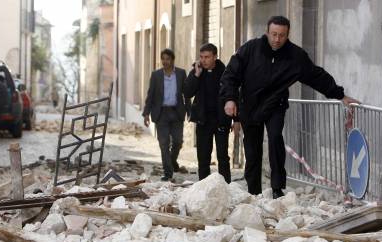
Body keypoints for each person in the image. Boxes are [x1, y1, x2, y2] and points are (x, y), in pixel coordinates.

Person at [220, 15, 359, 198]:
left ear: (288, 35)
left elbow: (316, 76)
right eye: (274, 34)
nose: (277, 39)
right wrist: (230, 99)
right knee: (252, 150)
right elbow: (230, 74)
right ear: (267, 32)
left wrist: (340, 95)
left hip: (275, 105)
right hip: (250, 105)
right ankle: (254, 191)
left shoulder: (295, 56)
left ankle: (277, 188)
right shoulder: (250, 49)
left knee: (276, 138)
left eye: (282, 35)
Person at [183, 43, 239, 183]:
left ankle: (225, 187)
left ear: (215, 57)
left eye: (207, 57)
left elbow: (234, 95)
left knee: (222, 157)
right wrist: (196, 75)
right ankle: (203, 187)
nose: (203, 60)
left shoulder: (225, 72)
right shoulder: (197, 71)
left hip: (221, 120)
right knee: (203, 157)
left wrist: (236, 119)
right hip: (203, 120)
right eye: (201, 57)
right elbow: (187, 92)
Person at [142, 49, 188, 182]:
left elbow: (186, 94)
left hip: (176, 112)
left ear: (173, 60)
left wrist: (189, 110)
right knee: (164, 143)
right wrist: (146, 113)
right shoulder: (156, 75)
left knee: (178, 142)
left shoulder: (180, 73)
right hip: (161, 113)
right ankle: (168, 172)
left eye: (167, 59)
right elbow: (150, 95)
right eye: (163, 59)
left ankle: (172, 162)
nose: (165, 61)